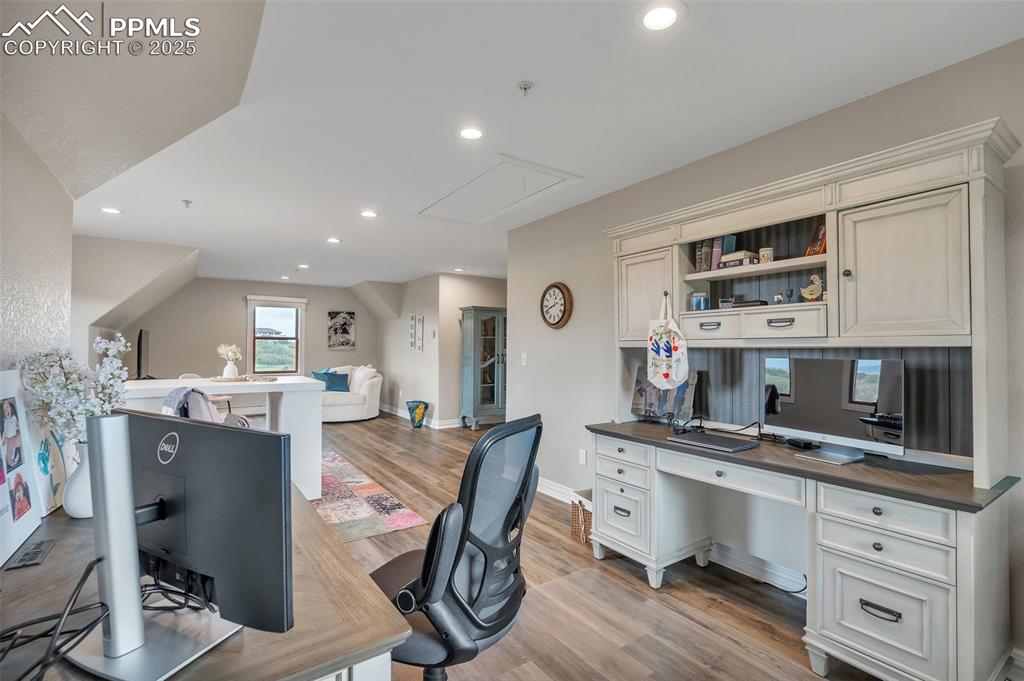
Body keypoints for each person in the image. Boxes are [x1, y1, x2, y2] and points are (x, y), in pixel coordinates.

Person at [2, 398, 23, 471]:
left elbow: (19, 426)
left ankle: (10, 461)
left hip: (13, 437)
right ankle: (10, 461)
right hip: (8, 438)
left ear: (11, 407)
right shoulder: (5, 421)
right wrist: (3, 440)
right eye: (4, 410)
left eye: (7, 407)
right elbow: (5, 432)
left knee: (10, 448)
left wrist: (20, 430)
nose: (6, 410)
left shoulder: (14, 418)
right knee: (9, 448)